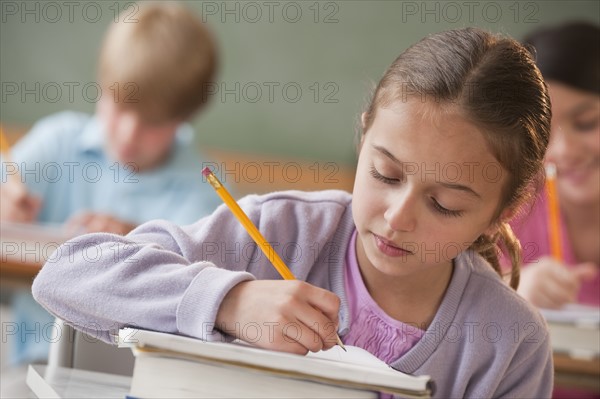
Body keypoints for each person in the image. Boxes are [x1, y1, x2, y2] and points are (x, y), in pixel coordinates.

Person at [32, 28, 553, 397]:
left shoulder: (511, 343)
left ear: (500, 212)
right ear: (364, 132)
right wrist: (229, 302)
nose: (397, 218)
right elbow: (68, 274)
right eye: (385, 175)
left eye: (446, 204)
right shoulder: (280, 230)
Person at [1, 2, 221, 365]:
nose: (128, 133)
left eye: (152, 122)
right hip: (37, 366)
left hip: (145, 377)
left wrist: (142, 240)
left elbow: (209, 296)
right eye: (119, 106)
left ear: (185, 117)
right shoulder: (58, 143)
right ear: (101, 85)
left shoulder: (203, 190)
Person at [515, 22, 599, 309]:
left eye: (587, 123)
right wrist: (512, 288)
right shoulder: (511, 209)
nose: (563, 151)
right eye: (542, 132)